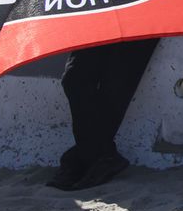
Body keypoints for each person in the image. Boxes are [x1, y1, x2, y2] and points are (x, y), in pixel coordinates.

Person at [46, 37, 160, 190]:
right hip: (99, 17)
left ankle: (87, 159)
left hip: (139, 18)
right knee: (74, 79)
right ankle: (94, 156)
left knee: (116, 85)